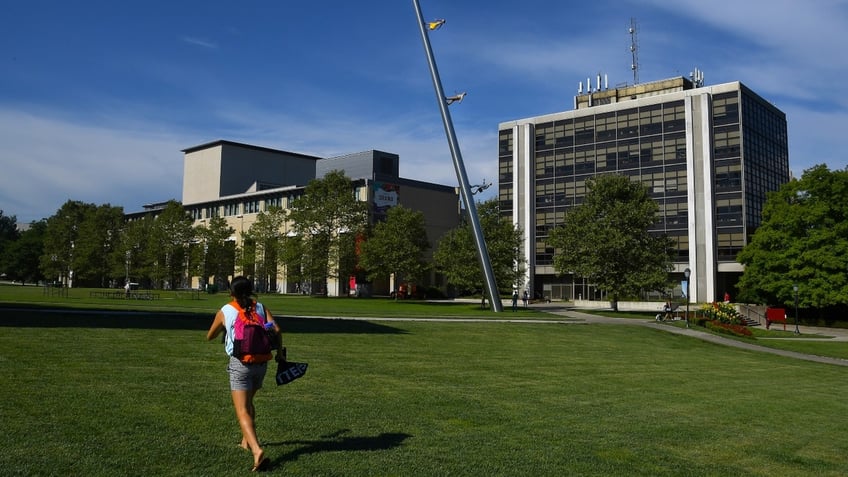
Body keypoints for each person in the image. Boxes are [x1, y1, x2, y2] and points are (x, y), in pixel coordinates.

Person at [206, 276, 282, 472]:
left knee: (242, 410)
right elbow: (277, 329)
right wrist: (280, 352)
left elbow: (210, 335)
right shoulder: (260, 307)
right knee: (248, 404)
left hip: (240, 364)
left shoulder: (226, 310)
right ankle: (245, 442)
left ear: (231, 293)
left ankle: (257, 450)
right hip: (261, 363)